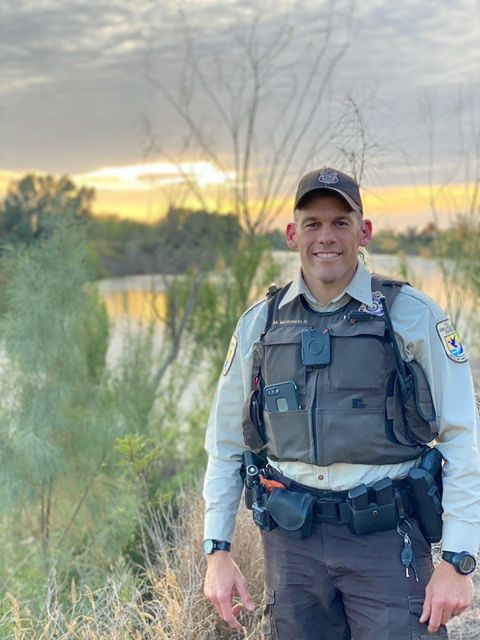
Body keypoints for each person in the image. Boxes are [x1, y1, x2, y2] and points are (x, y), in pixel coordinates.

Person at [202, 167, 480, 639]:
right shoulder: (260, 325)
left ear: (363, 231)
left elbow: (463, 436)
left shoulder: (411, 315)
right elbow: (225, 442)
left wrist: (458, 560)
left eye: (340, 222)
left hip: (386, 545)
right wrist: (217, 551)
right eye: (312, 223)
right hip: (292, 550)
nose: (325, 237)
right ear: (292, 234)